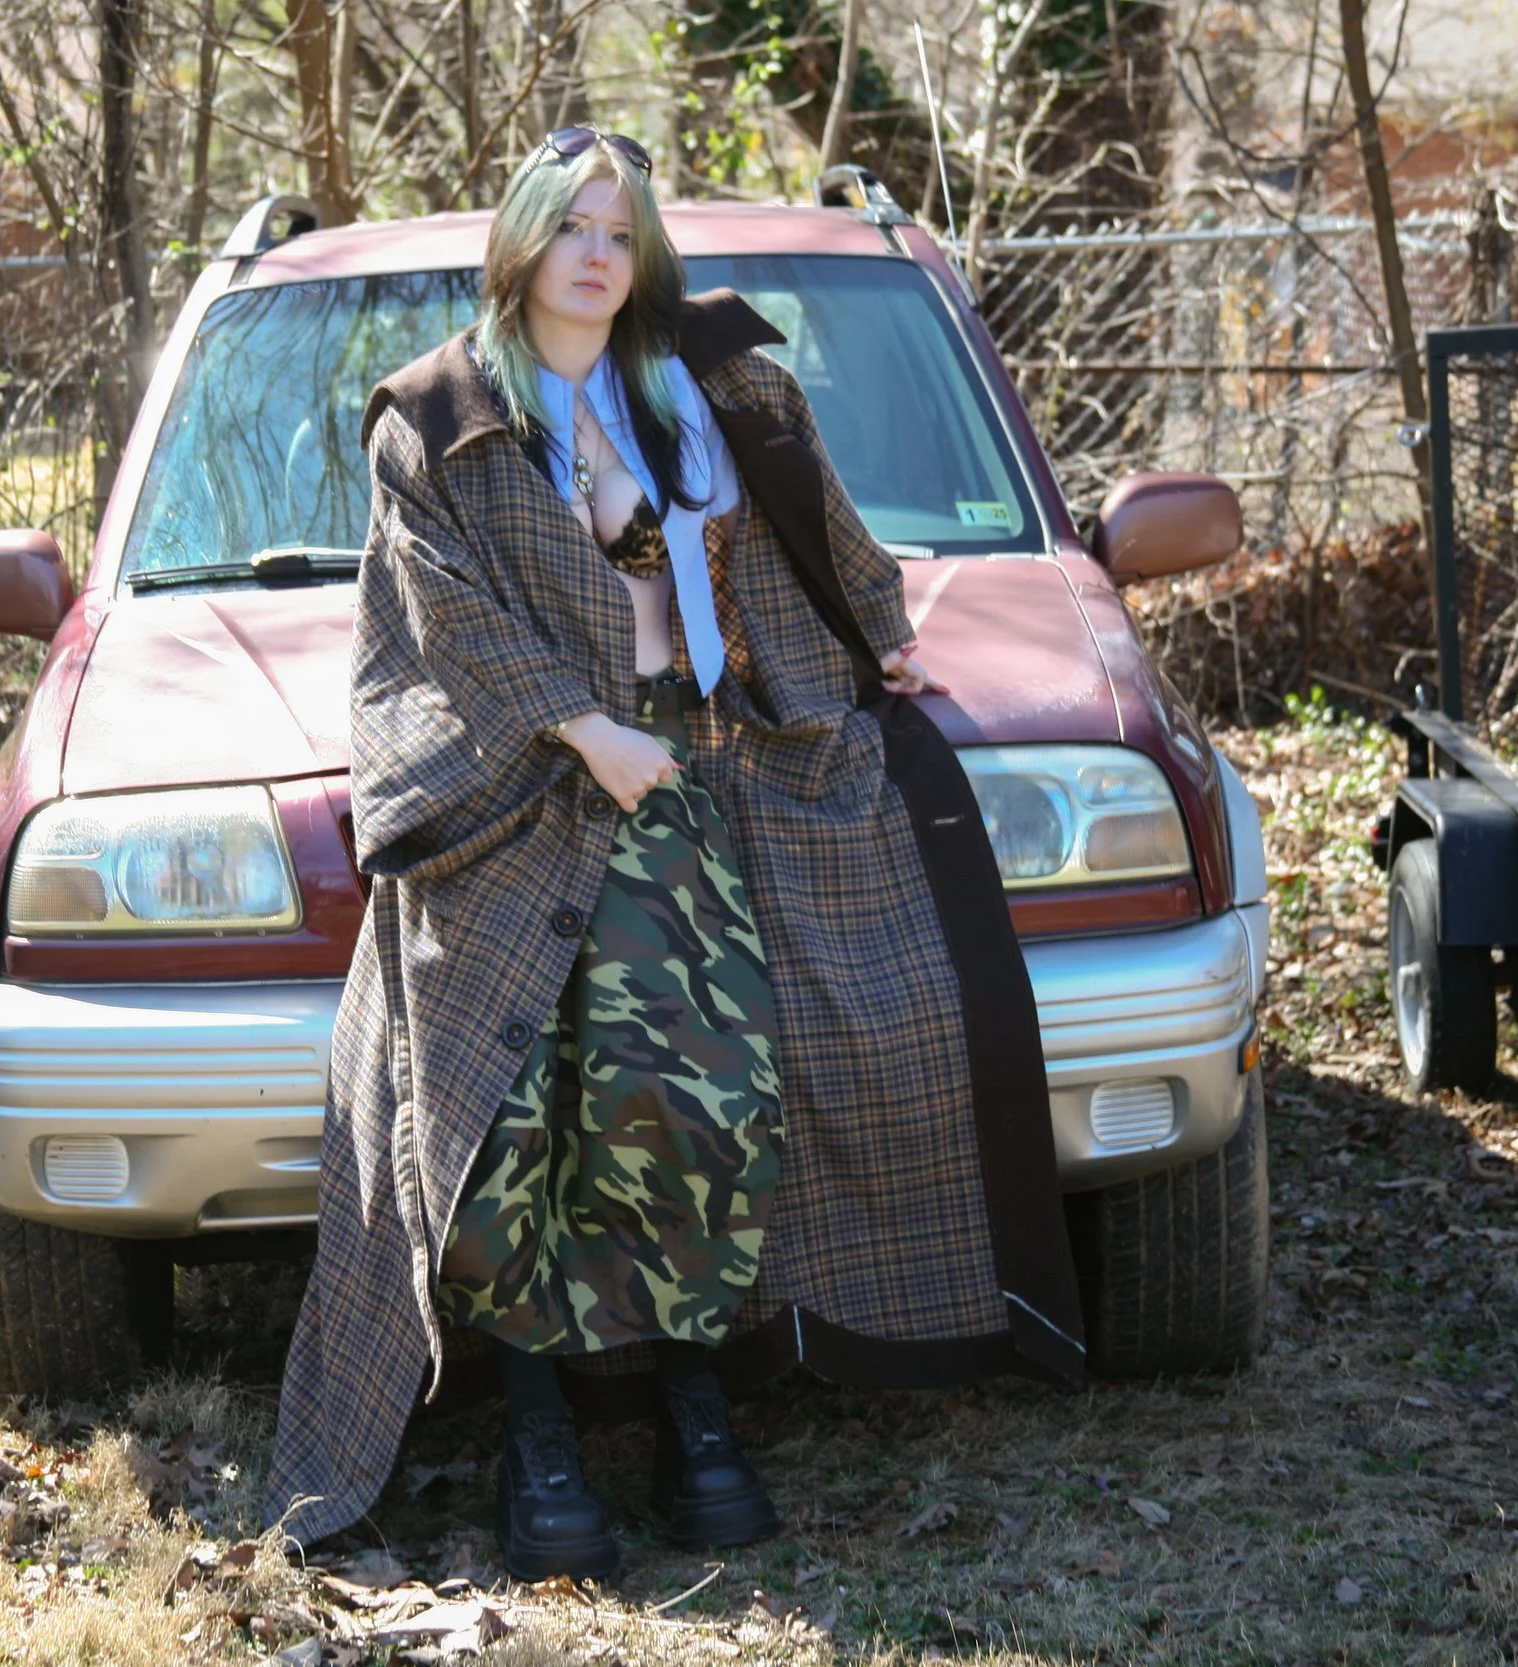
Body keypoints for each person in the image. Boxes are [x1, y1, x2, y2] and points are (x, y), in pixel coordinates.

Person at [264, 127, 1085, 1580]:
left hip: (691, 781)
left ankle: (695, 1410)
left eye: (620, 229)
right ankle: (540, 1438)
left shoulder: (709, 394)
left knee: (696, 1100)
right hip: (510, 805)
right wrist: (584, 728)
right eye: (571, 224)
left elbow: (815, 530)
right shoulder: (439, 419)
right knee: (509, 1125)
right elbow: (443, 619)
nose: (597, 251)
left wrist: (878, 638)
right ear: (521, 242)